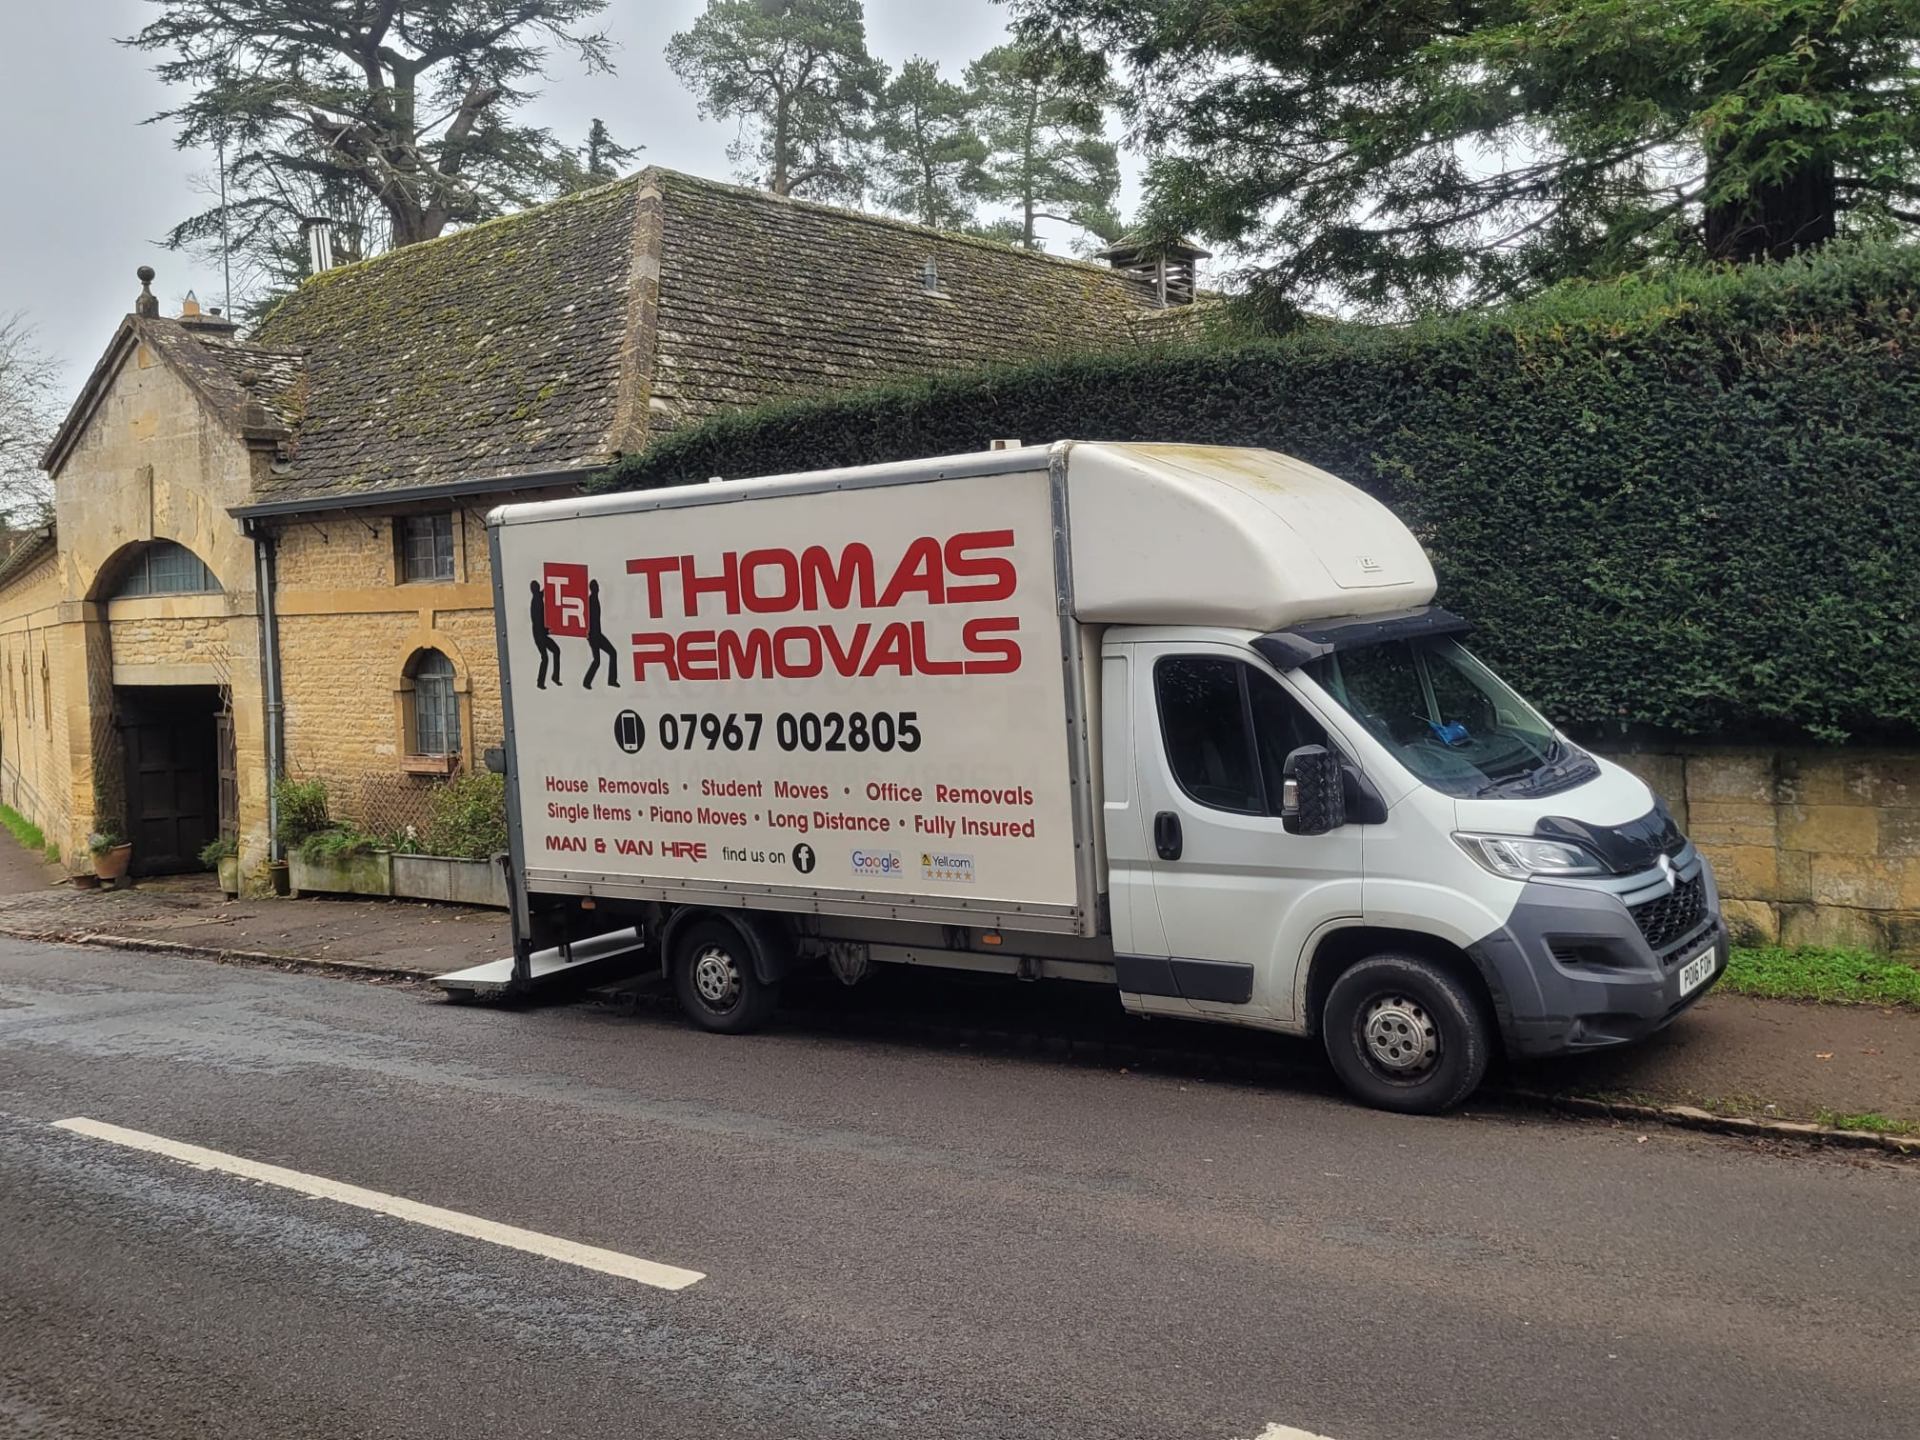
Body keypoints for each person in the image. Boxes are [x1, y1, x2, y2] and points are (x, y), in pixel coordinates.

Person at [583, 578, 621, 689]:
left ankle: (611, 680)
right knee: (597, 660)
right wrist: (587, 633)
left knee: (612, 653)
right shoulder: (591, 600)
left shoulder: (594, 599)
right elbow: (586, 618)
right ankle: (586, 682)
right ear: (593, 588)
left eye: (598, 587)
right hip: (593, 636)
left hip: (597, 634)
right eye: (596, 587)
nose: (598, 589)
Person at [530, 580, 562, 689]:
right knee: (547, 656)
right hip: (540, 635)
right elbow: (538, 620)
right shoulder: (536, 601)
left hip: (540, 634)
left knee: (553, 653)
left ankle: (553, 678)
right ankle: (543, 681)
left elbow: (542, 592)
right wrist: (546, 630)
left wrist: (550, 582)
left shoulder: (537, 598)